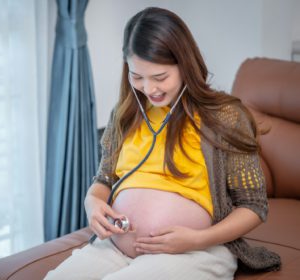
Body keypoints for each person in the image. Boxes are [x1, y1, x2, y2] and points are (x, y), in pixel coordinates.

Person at [45, 7, 280, 280]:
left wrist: (197, 239)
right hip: (115, 248)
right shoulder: (124, 115)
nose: (149, 88)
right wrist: (92, 203)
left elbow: (253, 206)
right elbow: (104, 180)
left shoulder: (225, 117)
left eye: (160, 77)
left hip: (198, 251)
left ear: (184, 64)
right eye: (137, 77)